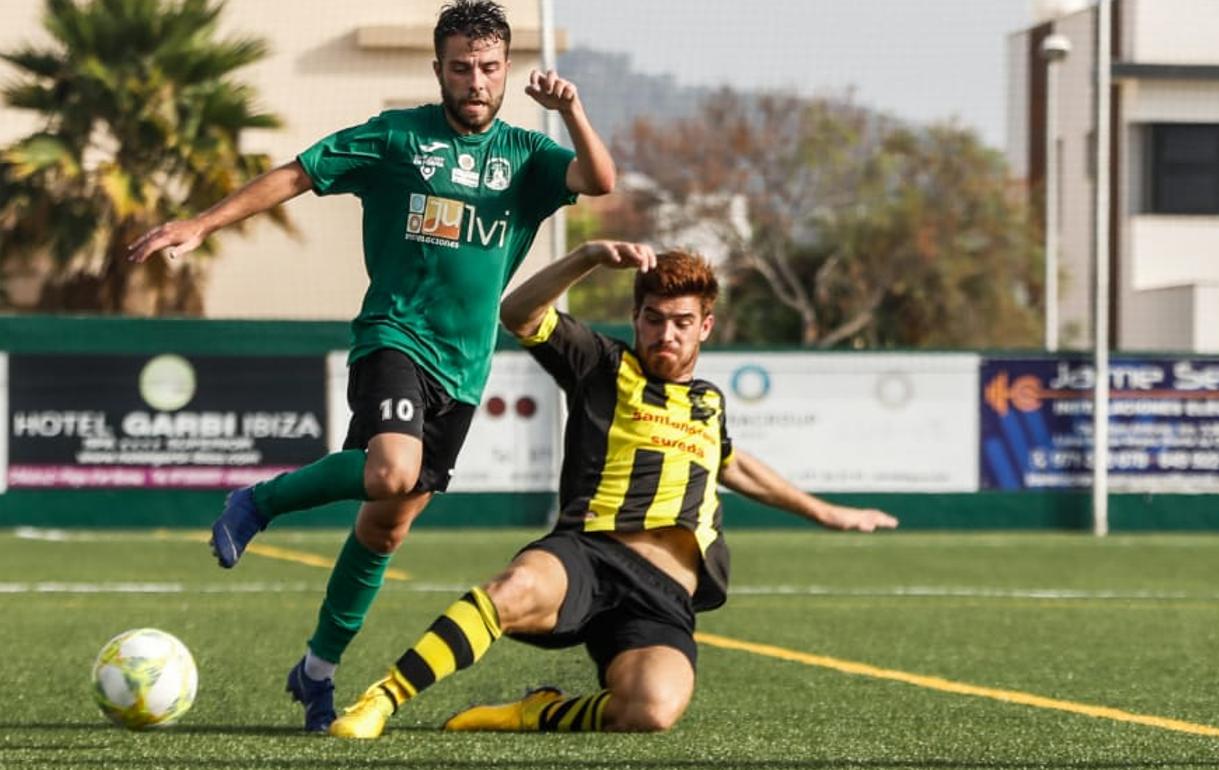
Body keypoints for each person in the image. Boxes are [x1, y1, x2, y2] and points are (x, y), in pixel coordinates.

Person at [126, 0, 615, 732]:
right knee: (387, 470)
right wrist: (200, 223)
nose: (474, 82)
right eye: (460, 68)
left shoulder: (529, 157)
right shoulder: (396, 137)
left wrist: (572, 111)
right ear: (438, 70)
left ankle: (316, 671)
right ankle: (257, 501)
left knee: (385, 529)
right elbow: (299, 174)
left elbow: (600, 180)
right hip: (394, 336)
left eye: (487, 68)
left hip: (464, 371)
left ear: (504, 70)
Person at [325, 241, 899, 739]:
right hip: (589, 553)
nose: (665, 334)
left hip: (663, 596)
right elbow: (518, 313)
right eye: (653, 319)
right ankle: (382, 699)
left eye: (680, 322)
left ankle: (537, 714)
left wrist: (826, 513)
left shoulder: (708, 403)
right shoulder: (602, 363)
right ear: (636, 316)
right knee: (514, 588)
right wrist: (587, 258)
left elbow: (733, 465)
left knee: (651, 709)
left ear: (706, 326)